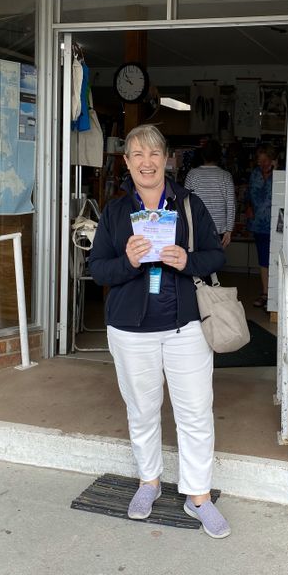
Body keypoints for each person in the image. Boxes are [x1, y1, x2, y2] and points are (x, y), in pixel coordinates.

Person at [88, 124, 231, 539]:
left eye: (154, 154)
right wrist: (127, 263)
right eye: (137, 155)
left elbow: (215, 254)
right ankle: (148, 483)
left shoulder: (189, 204)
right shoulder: (115, 213)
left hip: (185, 326)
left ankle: (198, 497)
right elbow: (98, 270)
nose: (146, 163)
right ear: (127, 162)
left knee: (195, 412)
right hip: (131, 331)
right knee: (142, 410)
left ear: (167, 159)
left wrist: (187, 259)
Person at [184, 139, 236, 249]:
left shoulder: (192, 174)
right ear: (219, 156)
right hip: (218, 230)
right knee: (215, 262)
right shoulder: (225, 176)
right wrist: (229, 230)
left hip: (197, 228)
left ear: (202, 155)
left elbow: (185, 203)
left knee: (198, 262)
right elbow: (231, 205)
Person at [246, 144, 275, 308]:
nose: (262, 164)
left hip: (276, 224)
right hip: (259, 223)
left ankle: (274, 294)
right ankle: (265, 293)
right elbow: (249, 194)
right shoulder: (255, 174)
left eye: (266, 160)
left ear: (272, 160)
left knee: (275, 260)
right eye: (260, 161)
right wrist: (248, 206)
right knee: (263, 259)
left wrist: (275, 171)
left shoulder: (279, 175)